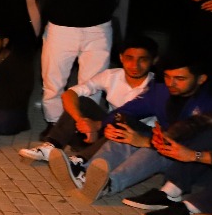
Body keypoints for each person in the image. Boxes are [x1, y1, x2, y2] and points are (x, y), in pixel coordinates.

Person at [70, 58, 212, 205]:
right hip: (165, 139)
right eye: (168, 77)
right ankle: (87, 172)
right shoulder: (160, 90)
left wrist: (147, 142)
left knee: (157, 150)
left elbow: (194, 132)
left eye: (180, 78)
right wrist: (101, 124)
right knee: (125, 130)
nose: (171, 83)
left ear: (201, 79)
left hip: (193, 160)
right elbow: (130, 110)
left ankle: (108, 184)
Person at [20, 35, 157, 163]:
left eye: (143, 60)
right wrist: (83, 122)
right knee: (82, 102)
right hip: (108, 127)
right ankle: (51, 146)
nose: (135, 65)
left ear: (154, 61)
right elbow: (70, 94)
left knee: (123, 119)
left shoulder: (157, 87)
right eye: (129, 58)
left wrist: (98, 125)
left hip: (136, 137)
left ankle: (81, 160)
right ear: (121, 58)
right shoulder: (111, 75)